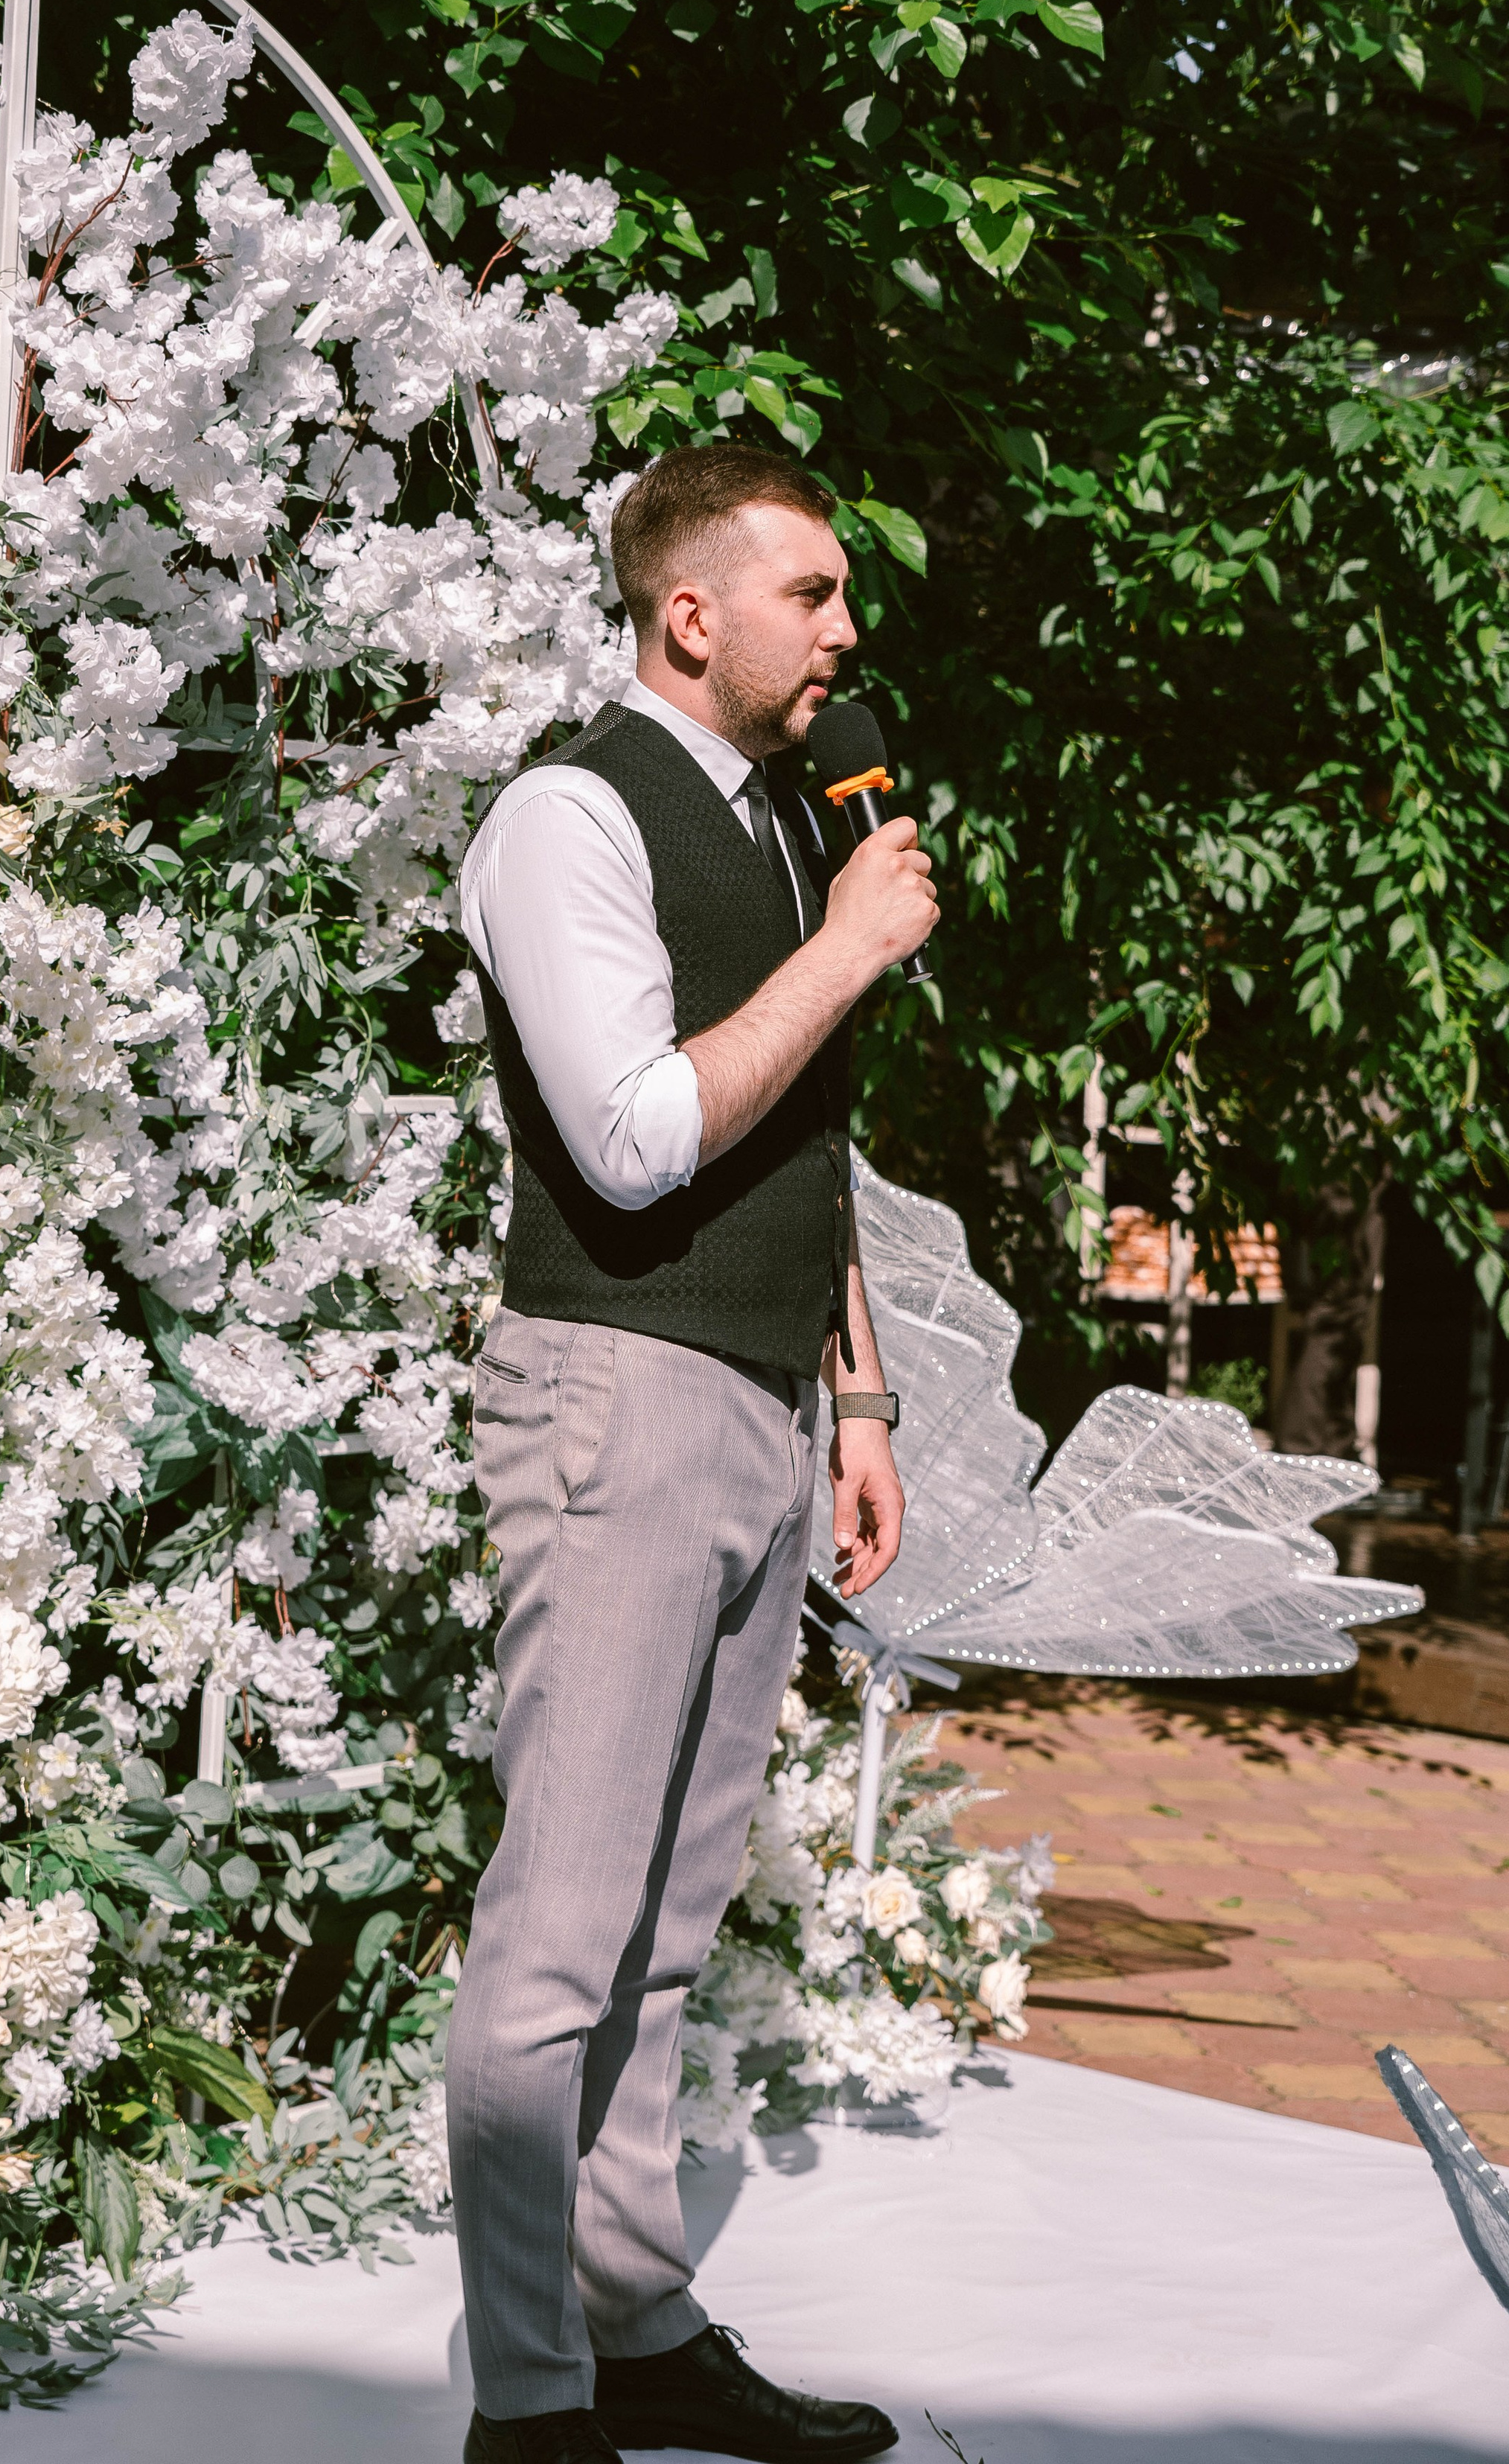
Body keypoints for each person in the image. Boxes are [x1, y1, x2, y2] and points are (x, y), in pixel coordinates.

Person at [447, 444, 939, 2464]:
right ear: (692, 616)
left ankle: (636, 2322)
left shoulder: (788, 829)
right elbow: (641, 1128)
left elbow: (802, 1135)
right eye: (813, 595)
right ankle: (535, 2409)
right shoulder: (571, 814)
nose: (848, 631)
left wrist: (864, 1393)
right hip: (614, 1395)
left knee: (669, 1920)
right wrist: (849, 951)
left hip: (757, 1402)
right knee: (562, 1929)